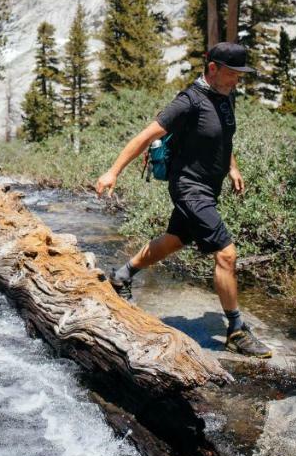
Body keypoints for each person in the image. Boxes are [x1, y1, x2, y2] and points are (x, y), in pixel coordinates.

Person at [94, 42, 272, 357]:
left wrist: (233, 168)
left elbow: (223, 138)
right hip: (189, 187)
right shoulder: (188, 101)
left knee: (175, 239)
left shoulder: (225, 98)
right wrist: (112, 172)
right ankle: (236, 331)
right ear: (213, 68)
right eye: (232, 74)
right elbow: (144, 137)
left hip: (208, 187)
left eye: (240, 76)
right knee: (226, 255)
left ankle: (122, 276)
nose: (236, 81)